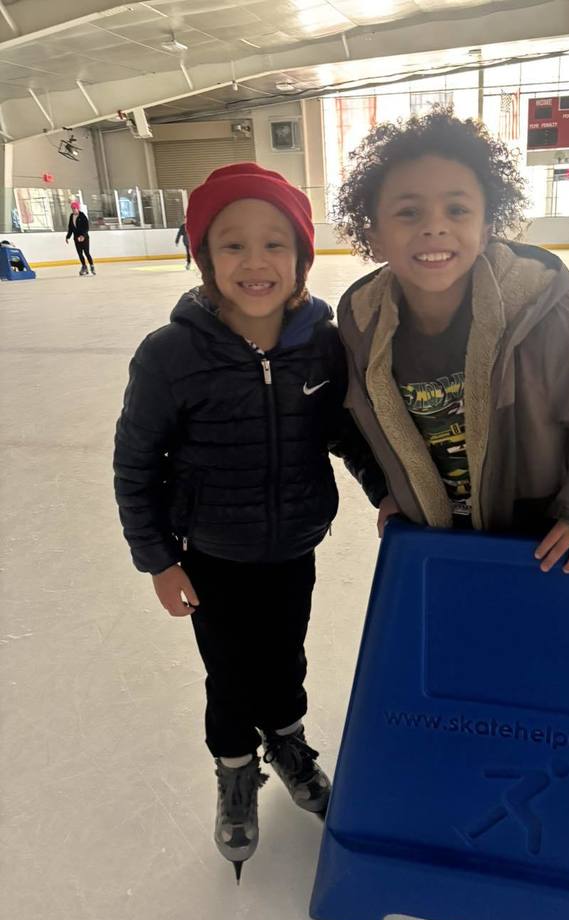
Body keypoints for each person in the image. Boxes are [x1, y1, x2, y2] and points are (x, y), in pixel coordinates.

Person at [113, 163, 387, 881]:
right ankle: (236, 771)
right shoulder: (170, 355)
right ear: (204, 258)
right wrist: (158, 560)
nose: (255, 262)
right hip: (211, 553)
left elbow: (346, 434)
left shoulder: (321, 345)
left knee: (286, 658)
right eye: (232, 246)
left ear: (302, 257)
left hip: (294, 543)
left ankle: (288, 743)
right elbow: (136, 466)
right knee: (230, 675)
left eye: (275, 244)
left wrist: (386, 492)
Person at [333, 110, 569, 575]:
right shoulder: (363, 329)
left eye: (457, 209)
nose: (434, 226)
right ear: (373, 234)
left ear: (487, 226)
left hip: (541, 550)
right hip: (437, 548)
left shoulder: (538, 317)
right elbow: (356, 424)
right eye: (408, 212)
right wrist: (385, 491)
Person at [66, 199, 95, 275]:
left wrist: (83, 235)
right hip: (76, 238)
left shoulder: (82, 216)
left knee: (86, 252)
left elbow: (86, 227)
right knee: (79, 253)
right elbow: (70, 227)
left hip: (84, 237)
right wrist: (68, 236)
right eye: (72, 209)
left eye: (75, 208)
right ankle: (84, 267)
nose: (73, 210)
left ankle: (92, 266)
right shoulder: (71, 216)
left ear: (77, 208)